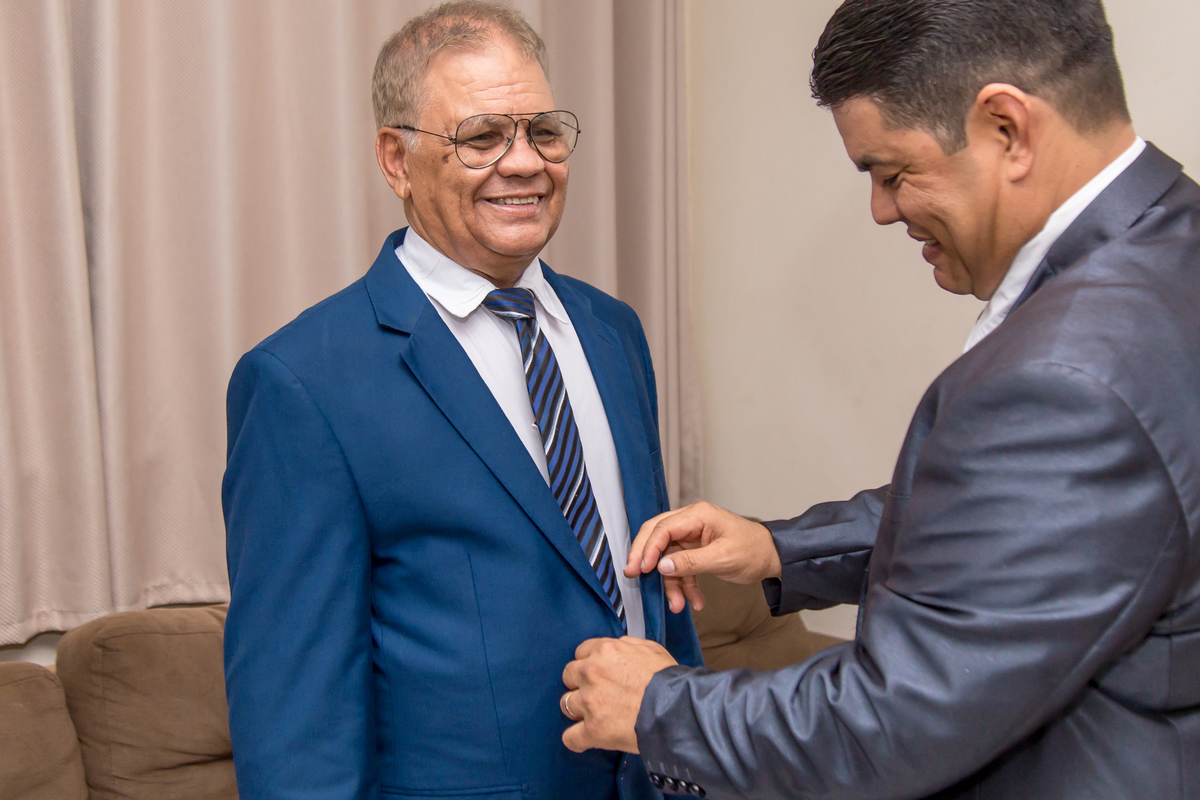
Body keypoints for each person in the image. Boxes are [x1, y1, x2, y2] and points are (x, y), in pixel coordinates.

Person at [559, 1, 1200, 797]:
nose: (882, 209)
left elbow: (895, 725)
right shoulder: (1172, 245)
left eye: (893, 173)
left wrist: (659, 708)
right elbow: (1030, 528)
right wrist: (781, 550)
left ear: (1007, 128)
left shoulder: (1065, 373)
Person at [221, 3, 701, 798]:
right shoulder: (303, 382)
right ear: (397, 159)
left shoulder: (613, 331)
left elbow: (655, 594)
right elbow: (294, 720)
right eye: (482, 137)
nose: (525, 163)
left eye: (543, 132)